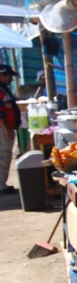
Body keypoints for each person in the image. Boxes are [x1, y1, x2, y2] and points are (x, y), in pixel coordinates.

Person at [0, 65, 21, 194]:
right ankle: (1, 186)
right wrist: (7, 129)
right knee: (4, 156)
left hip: (5, 128)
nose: (11, 79)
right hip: (3, 129)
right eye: (8, 76)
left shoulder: (4, 89)